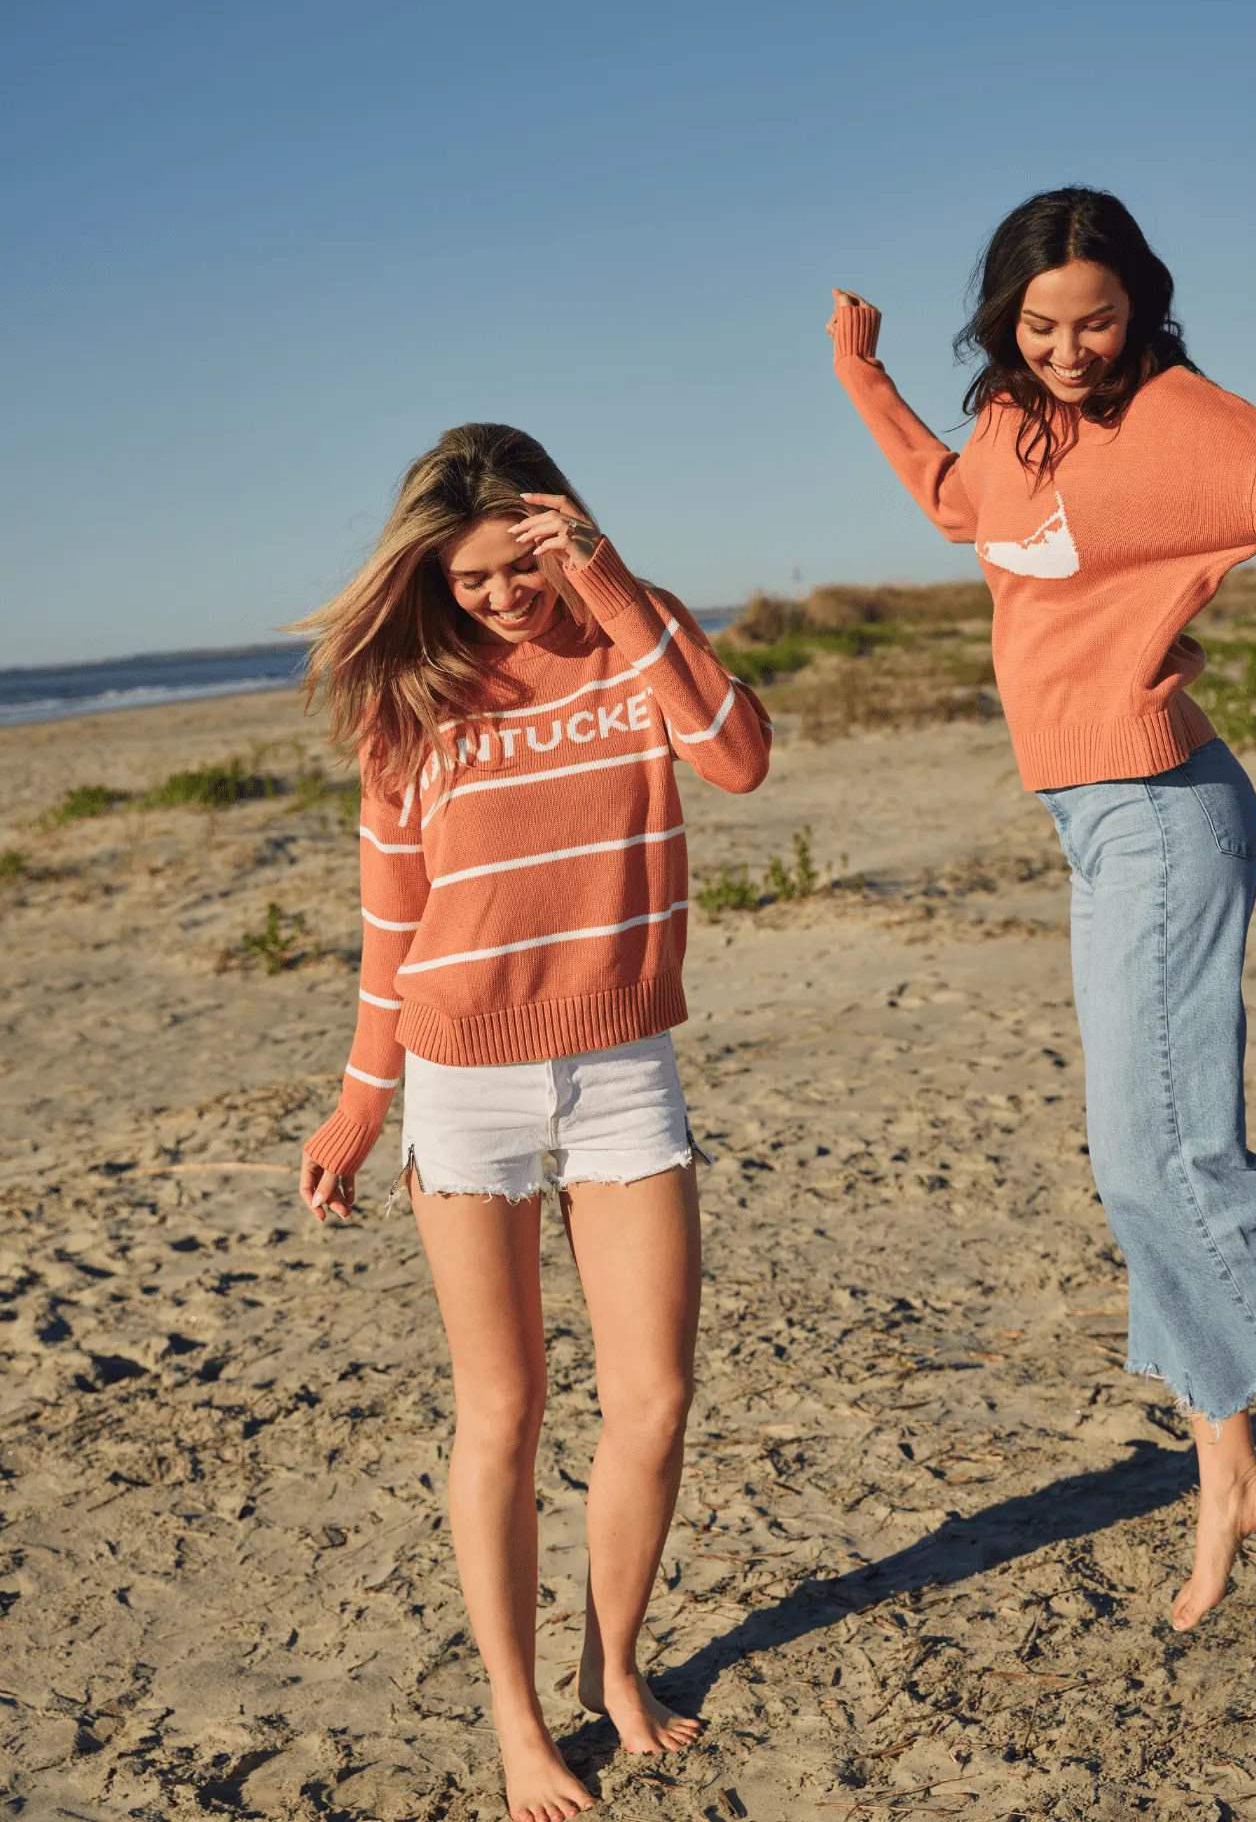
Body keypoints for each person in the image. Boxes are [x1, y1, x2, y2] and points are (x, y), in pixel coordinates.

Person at [827, 186, 1256, 1631]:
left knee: (1165, 1163)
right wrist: (865, 380)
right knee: (1139, 1176)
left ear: (1145, 305)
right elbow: (958, 505)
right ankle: (1230, 1474)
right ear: (1005, 319)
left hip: (1166, 814)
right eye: (1040, 323)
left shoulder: (1196, 428)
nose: (1071, 349)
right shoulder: (1012, 426)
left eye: (1100, 321)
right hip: (1087, 821)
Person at [296, 423, 771, 1822]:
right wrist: (355, 1105)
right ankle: (516, 1718)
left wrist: (615, 589)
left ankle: (612, 1668)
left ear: (566, 529)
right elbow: (393, 927)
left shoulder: (639, 631)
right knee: (502, 1410)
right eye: (469, 577)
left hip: (623, 1062)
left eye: (520, 563)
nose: (499, 596)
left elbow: (737, 759)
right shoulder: (410, 701)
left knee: (656, 1399)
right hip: (463, 1077)